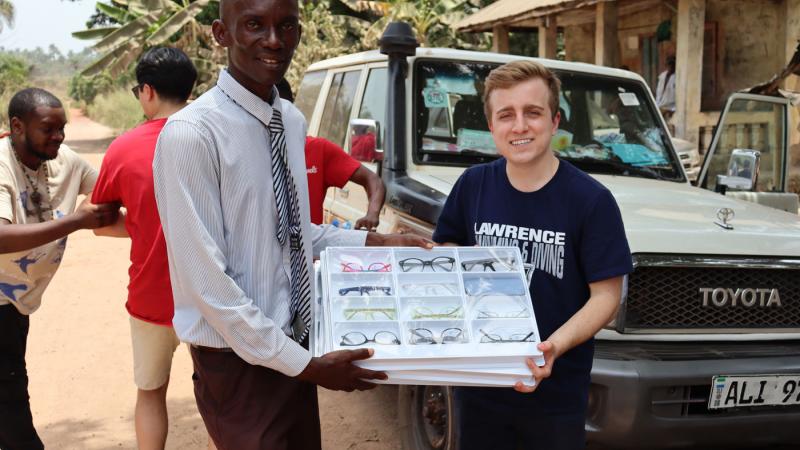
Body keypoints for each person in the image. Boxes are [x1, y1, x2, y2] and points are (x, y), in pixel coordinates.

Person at [151, 1, 431, 449]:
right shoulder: (192, 134)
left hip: (294, 343)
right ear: (221, 34)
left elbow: (298, 235)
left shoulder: (290, 120)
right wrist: (305, 366)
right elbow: (207, 283)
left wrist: (381, 241)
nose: (274, 41)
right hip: (239, 362)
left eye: (286, 26)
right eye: (254, 26)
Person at [432, 60, 633, 450]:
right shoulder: (473, 185)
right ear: (491, 126)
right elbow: (447, 250)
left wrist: (552, 347)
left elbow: (607, 296)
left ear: (555, 122)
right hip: (479, 387)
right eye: (506, 115)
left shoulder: (591, 201)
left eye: (533, 113)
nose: (520, 126)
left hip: (555, 397)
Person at [91, 47, 213, 450]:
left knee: (150, 392)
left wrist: (146, 228)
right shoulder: (214, 137)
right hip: (213, 296)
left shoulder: (124, 148)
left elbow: (102, 222)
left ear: (146, 91)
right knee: (226, 397)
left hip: (150, 296)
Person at [0, 88, 119, 449]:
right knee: (12, 403)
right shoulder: (2, 163)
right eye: (48, 129)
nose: (59, 137)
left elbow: (111, 194)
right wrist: (75, 222)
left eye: (62, 128)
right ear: (17, 126)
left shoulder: (64, 160)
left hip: (16, 301)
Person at [276, 79, 386, 230]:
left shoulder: (318, 149)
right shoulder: (244, 153)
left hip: (309, 250)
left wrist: (372, 214)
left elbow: (372, 179)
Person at [656, 55, 676, 120]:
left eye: (672, 64)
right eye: (669, 64)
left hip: (670, 108)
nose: (671, 66)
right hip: (659, 106)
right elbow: (658, 92)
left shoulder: (677, 77)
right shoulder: (662, 76)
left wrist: (673, 109)